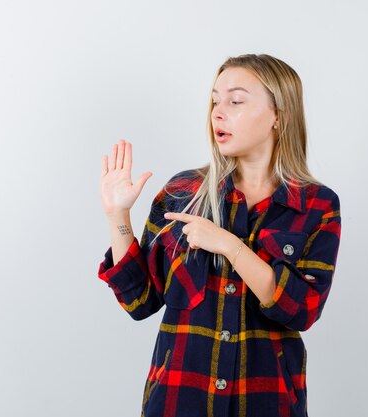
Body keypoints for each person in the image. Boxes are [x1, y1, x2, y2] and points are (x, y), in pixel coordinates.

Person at [98, 53, 342, 417]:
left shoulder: (317, 205)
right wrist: (118, 215)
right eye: (215, 100)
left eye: (236, 101)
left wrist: (230, 246)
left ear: (280, 115)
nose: (218, 112)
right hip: (180, 400)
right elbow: (140, 302)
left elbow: (302, 310)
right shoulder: (182, 191)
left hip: (267, 402)